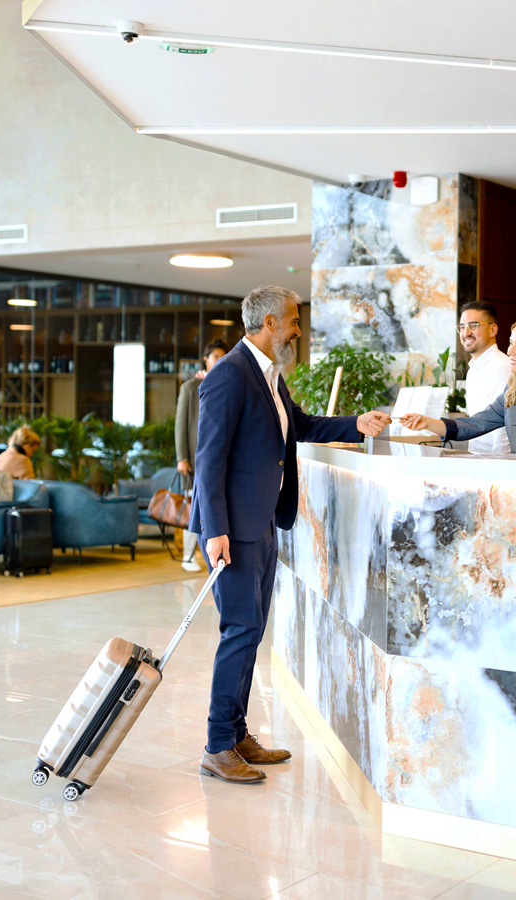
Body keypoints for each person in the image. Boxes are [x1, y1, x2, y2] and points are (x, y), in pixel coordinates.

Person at [193, 285, 389, 785]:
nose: (299, 330)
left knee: (251, 631)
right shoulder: (229, 377)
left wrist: (356, 424)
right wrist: (214, 531)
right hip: (232, 531)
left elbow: (297, 425)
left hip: (260, 524)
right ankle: (217, 746)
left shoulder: (268, 376)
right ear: (268, 324)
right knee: (238, 632)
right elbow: (208, 461)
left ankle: (235, 734)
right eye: (293, 321)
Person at [400, 315, 516, 442]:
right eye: (511, 343)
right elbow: (476, 424)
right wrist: (428, 422)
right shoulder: (513, 391)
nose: (510, 351)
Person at [176, 339, 228, 571]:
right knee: (193, 506)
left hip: (217, 461)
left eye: (222, 356)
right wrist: (182, 457)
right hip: (195, 461)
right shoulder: (190, 387)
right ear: (205, 359)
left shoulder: (226, 384)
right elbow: (181, 424)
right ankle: (188, 556)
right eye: (215, 356)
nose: (219, 360)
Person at [457, 300, 512, 455]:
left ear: (493, 329)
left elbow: (504, 425)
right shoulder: (473, 369)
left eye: (473, 326)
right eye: (462, 327)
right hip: (477, 458)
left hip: (494, 463)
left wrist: (497, 467)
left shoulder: (501, 367)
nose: (466, 333)